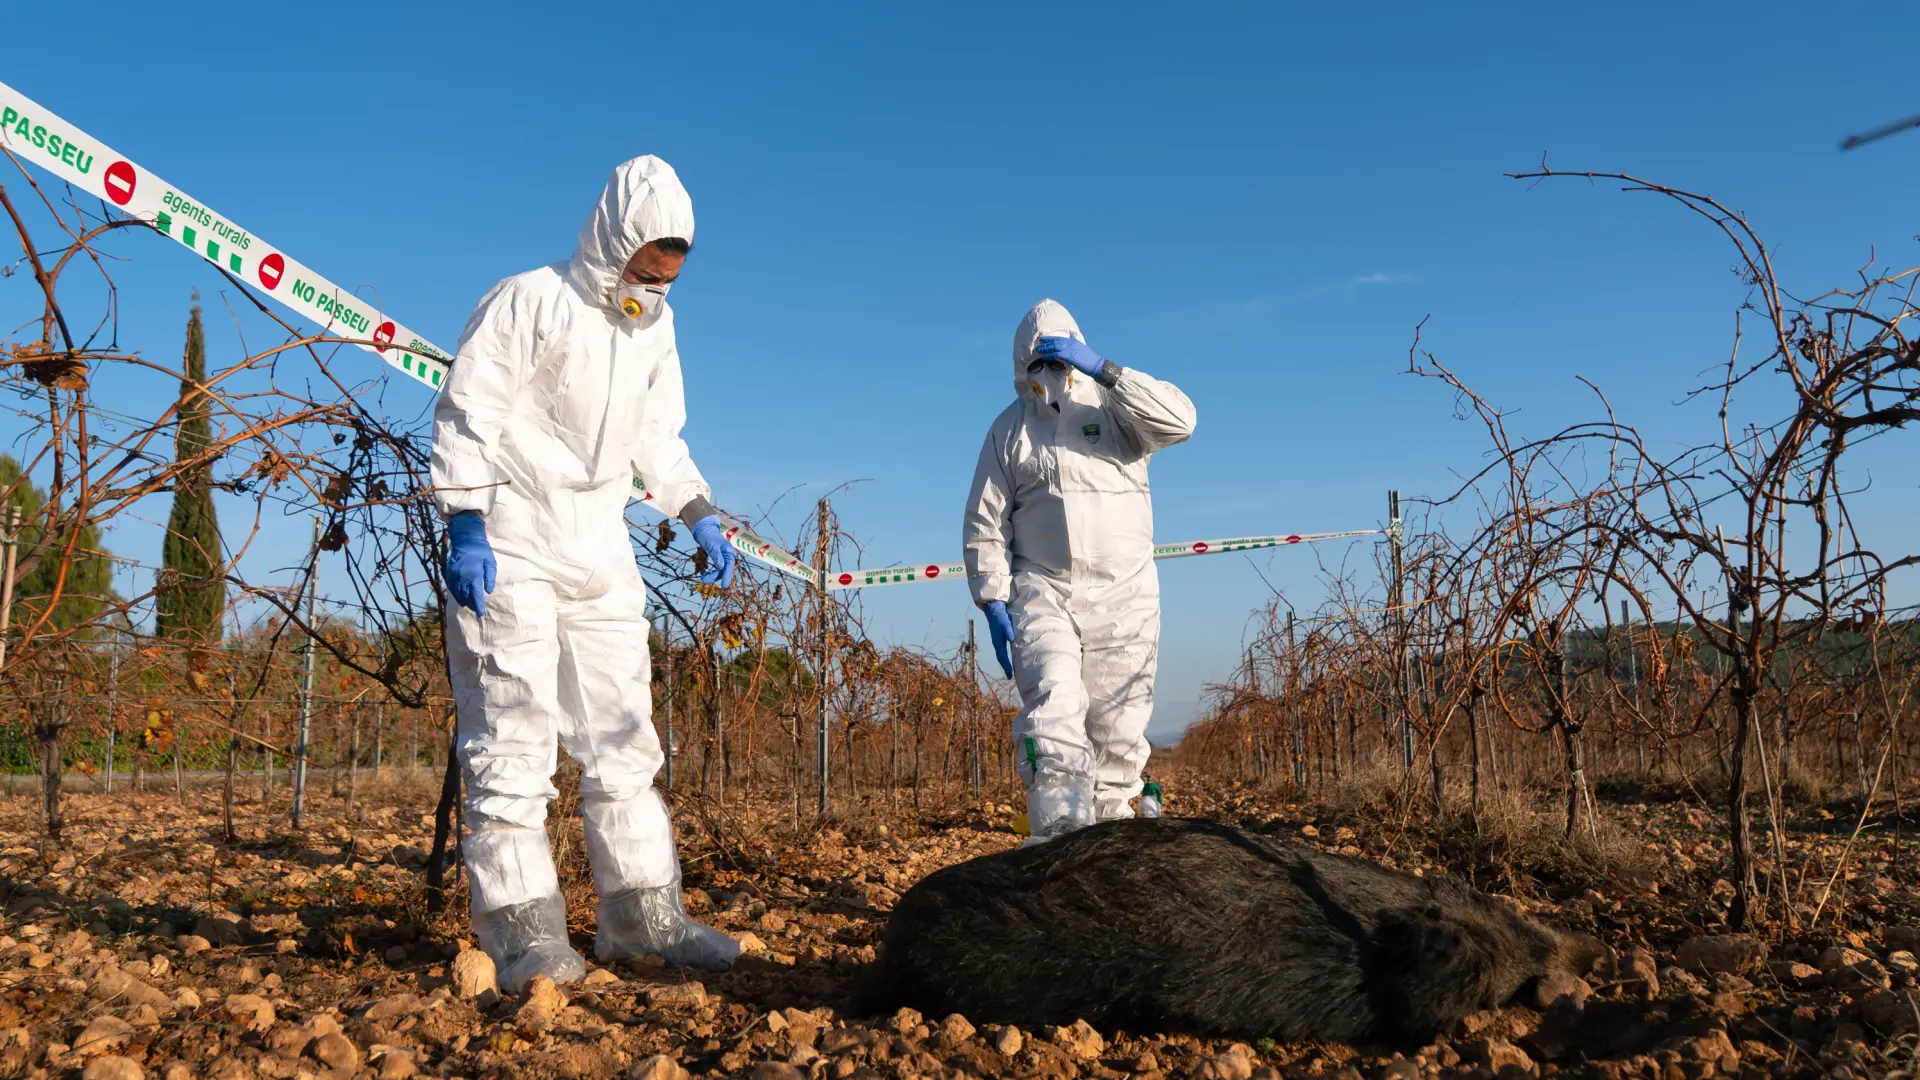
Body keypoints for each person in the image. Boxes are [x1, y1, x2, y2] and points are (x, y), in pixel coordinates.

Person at [431, 155, 741, 992]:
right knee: (512, 731)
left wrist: (695, 507)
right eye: (644, 271)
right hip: (515, 536)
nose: (653, 289)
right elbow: (470, 411)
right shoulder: (530, 300)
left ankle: (644, 917)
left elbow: (659, 438)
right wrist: (466, 520)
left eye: (669, 277)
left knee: (621, 735)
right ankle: (521, 932)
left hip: (601, 545)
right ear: (613, 243)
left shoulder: (655, 328)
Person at [962, 299, 1197, 844]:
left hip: (1126, 594)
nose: (1051, 372)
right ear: (1022, 365)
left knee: (1119, 723)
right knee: (1055, 703)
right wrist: (993, 599)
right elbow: (985, 519)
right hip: (1043, 590)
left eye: (1060, 358)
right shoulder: (1010, 429)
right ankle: (1056, 838)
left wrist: (1107, 371)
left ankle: (1110, 835)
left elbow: (1182, 421)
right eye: (1038, 362)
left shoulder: (1118, 409)